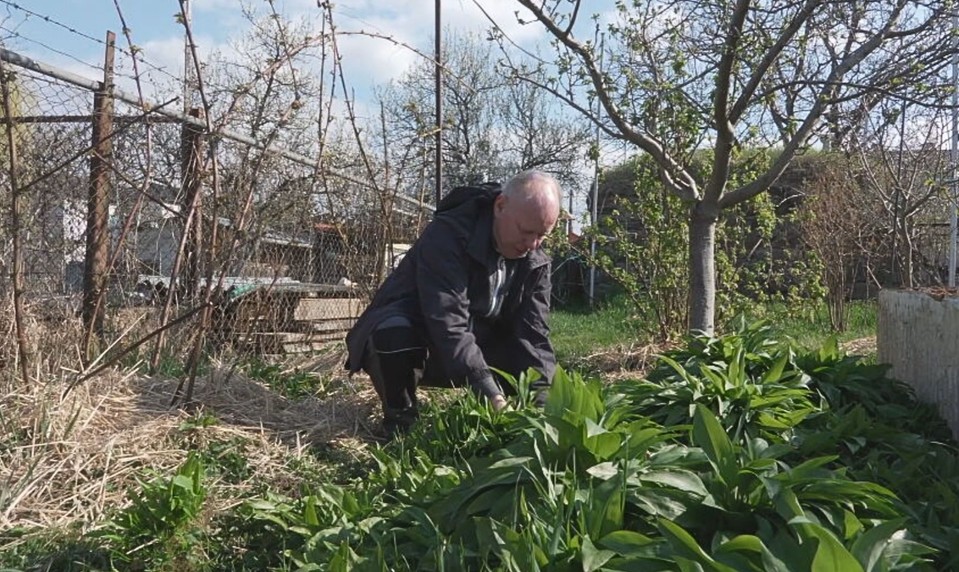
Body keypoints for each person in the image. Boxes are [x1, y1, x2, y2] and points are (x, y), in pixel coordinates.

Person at [345, 169, 562, 435]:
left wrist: (544, 405)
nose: (532, 244)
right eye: (526, 231)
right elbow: (448, 321)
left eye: (542, 235)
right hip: (428, 340)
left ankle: (508, 421)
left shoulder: (535, 261)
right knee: (393, 333)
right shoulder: (448, 235)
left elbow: (534, 335)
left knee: (523, 351)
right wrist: (487, 389)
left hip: (474, 344)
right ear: (501, 206)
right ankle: (401, 425)